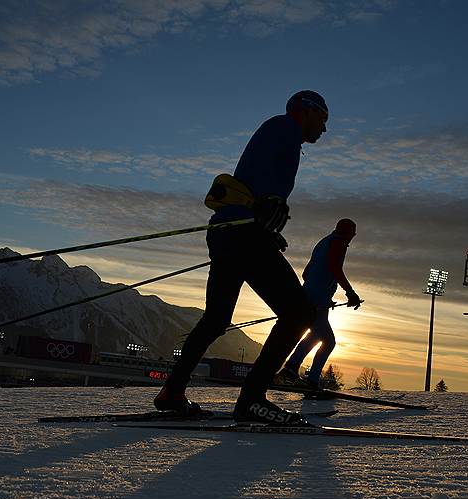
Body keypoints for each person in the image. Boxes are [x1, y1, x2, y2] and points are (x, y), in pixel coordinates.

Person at [153, 90, 329, 424]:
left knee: (217, 318)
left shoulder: (280, 131)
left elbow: (253, 175)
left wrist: (263, 221)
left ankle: (172, 391)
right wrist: (264, 203)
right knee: (299, 313)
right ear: (305, 111)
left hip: (227, 231)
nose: (324, 128)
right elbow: (262, 172)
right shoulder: (285, 128)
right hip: (243, 234)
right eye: (322, 119)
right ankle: (251, 400)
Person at [277, 218, 362, 388]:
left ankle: (294, 369)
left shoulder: (324, 242)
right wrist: (350, 292)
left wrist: (322, 295)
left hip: (312, 298)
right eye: (353, 234)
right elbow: (334, 268)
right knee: (328, 341)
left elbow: (306, 273)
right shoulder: (338, 243)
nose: (353, 237)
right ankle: (307, 378)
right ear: (349, 234)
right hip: (317, 300)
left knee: (316, 335)